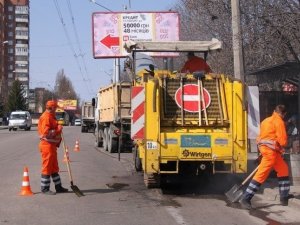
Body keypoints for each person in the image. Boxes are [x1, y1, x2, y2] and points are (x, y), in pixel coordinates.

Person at [239, 105, 293, 209]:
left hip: (270, 150)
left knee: (283, 169)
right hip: (270, 153)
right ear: (283, 114)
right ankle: (246, 198)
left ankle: (284, 196)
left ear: (274, 111)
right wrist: (287, 143)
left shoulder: (266, 121)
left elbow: (263, 136)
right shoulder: (279, 122)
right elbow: (282, 141)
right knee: (261, 174)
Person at [38, 100, 68, 195]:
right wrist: (57, 130)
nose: (56, 110)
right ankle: (45, 188)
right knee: (47, 167)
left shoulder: (51, 116)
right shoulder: (46, 117)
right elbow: (46, 134)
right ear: (51, 108)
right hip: (47, 146)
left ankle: (58, 187)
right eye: (55, 108)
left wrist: (57, 126)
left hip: (52, 146)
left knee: (54, 167)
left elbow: (53, 127)